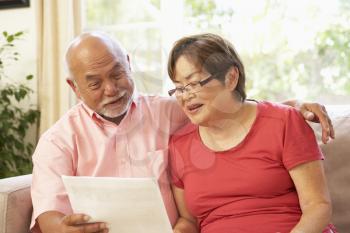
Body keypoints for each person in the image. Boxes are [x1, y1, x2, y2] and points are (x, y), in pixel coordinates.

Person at [30, 31, 334, 233]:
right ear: (75, 87)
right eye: (95, 83)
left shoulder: (170, 110)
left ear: (129, 65)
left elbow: (234, 108)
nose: (111, 89)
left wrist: (296, 106)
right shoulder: (58, 141)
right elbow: (48, 215)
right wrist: (64, 228)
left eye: (117, 73)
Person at [167, 33, 337, 233]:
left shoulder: (284, 122)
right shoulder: (180, 145)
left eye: (193, 83)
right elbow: (188, 220)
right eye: (178, 88)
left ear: (230, 77)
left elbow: (317, 206)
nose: (185, 96)